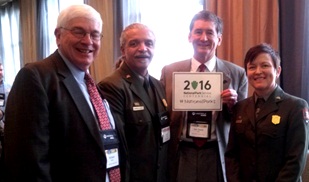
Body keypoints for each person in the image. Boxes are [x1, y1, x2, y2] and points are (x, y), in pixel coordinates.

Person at [4, 4, 122, 182]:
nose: (88, 41)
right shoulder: (35, 77)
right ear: (58, 36)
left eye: (95, 34)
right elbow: (28, 163)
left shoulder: (90, 84)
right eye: (79, 31)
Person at [160, 10, 248, 182]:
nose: (203, 38)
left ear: (219, 39)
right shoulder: (169, 72)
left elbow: (242, 124)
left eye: (210, 32)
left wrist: (233, 106)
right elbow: (162, 114)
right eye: (198, 32)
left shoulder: (237, 74)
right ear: (189, 36)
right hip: (181, 153)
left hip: (215, 154)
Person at [225, 43, 309, 182]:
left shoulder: (295, 107)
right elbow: (232, 155)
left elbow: (295, 161)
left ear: (277, 70)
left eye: (265, 65)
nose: (258, 71)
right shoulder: (239, 107)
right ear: (247, 73)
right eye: (252, 67)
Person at [98, 23, 170, 182]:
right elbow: (118, 146)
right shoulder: (111, 86)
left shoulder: (158, 85)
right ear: (123, 50)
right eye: (134, 43)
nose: (143, 48)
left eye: (148, 43)